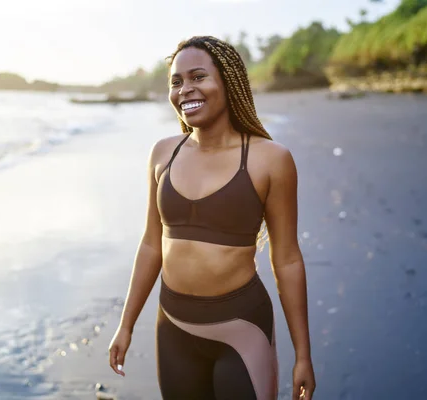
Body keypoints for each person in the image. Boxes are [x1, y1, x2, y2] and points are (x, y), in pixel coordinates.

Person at [108, 35, 315, 400]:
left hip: (241, 330)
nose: (185, 89)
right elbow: (151, 244)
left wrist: (303, 354)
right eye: (176, 81)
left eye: (198, 76)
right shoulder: (162, 154)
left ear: (227, 81)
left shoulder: (270, 159)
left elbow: (287, 259)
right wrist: (126, 325)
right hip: (172, 328)